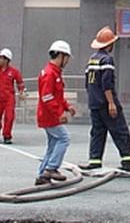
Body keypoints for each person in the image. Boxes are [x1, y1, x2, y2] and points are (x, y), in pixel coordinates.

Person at [81, 27, 130, 173]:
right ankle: (128, 162)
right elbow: (107, 84)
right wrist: (111, 103)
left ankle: (94, 161)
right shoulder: (107, 59)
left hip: (94, 103)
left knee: (97, 133)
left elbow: (87, 83)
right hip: (106, 103)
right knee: (120, 131)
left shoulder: (92, 59)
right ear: (109, 44)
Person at [35, 40, 77, 185]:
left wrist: (67, 107)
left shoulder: (54, 73)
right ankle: (51, 168)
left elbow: (57, 96)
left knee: (53, 144)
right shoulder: (50, 74)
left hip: (49, 115)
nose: (68, 61)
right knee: (64, 138)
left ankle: (42, 175)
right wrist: (59, 114)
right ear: (61, 55)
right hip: (49, 116)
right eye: (67, 58)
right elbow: (47, 97)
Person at [0, 48, 25, 144]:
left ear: (7, 60)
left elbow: (20, 82)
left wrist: (21, 92)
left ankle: (7, 136)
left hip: (8, 98)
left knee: (9, 116)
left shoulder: (14, 71)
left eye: (1, 58)